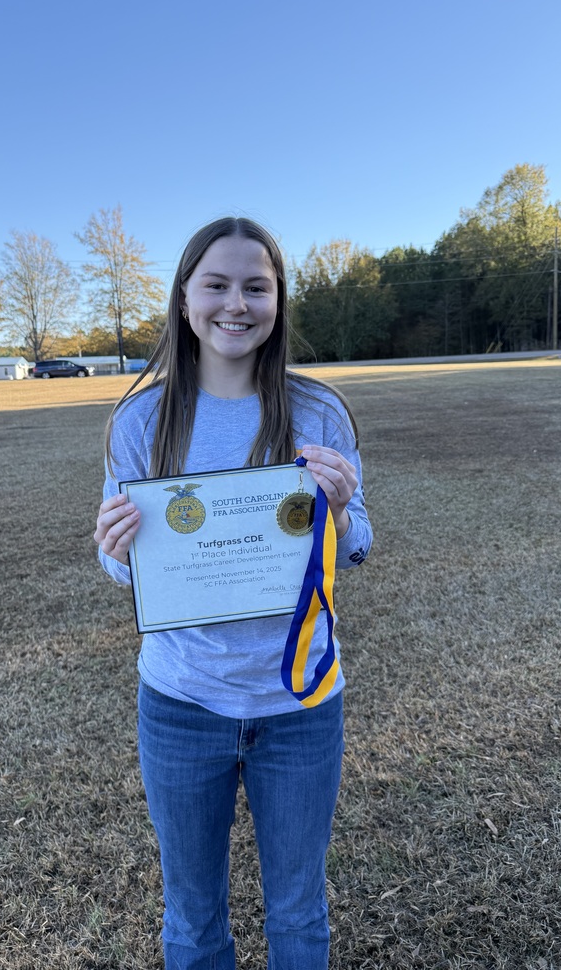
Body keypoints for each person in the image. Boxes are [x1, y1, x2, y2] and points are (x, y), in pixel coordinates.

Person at [94, 217, 372, 970]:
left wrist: (342, 508)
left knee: (298, 912)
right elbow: (129, 573)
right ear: (185, 297)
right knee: (191, 919)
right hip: (183, 704)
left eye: (257, 286)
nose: (236, 305)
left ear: (278, 300)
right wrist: (116, 549)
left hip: (302, 703)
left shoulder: (318, 411)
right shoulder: (139, 418)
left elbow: (359, 543)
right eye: (216, 285)